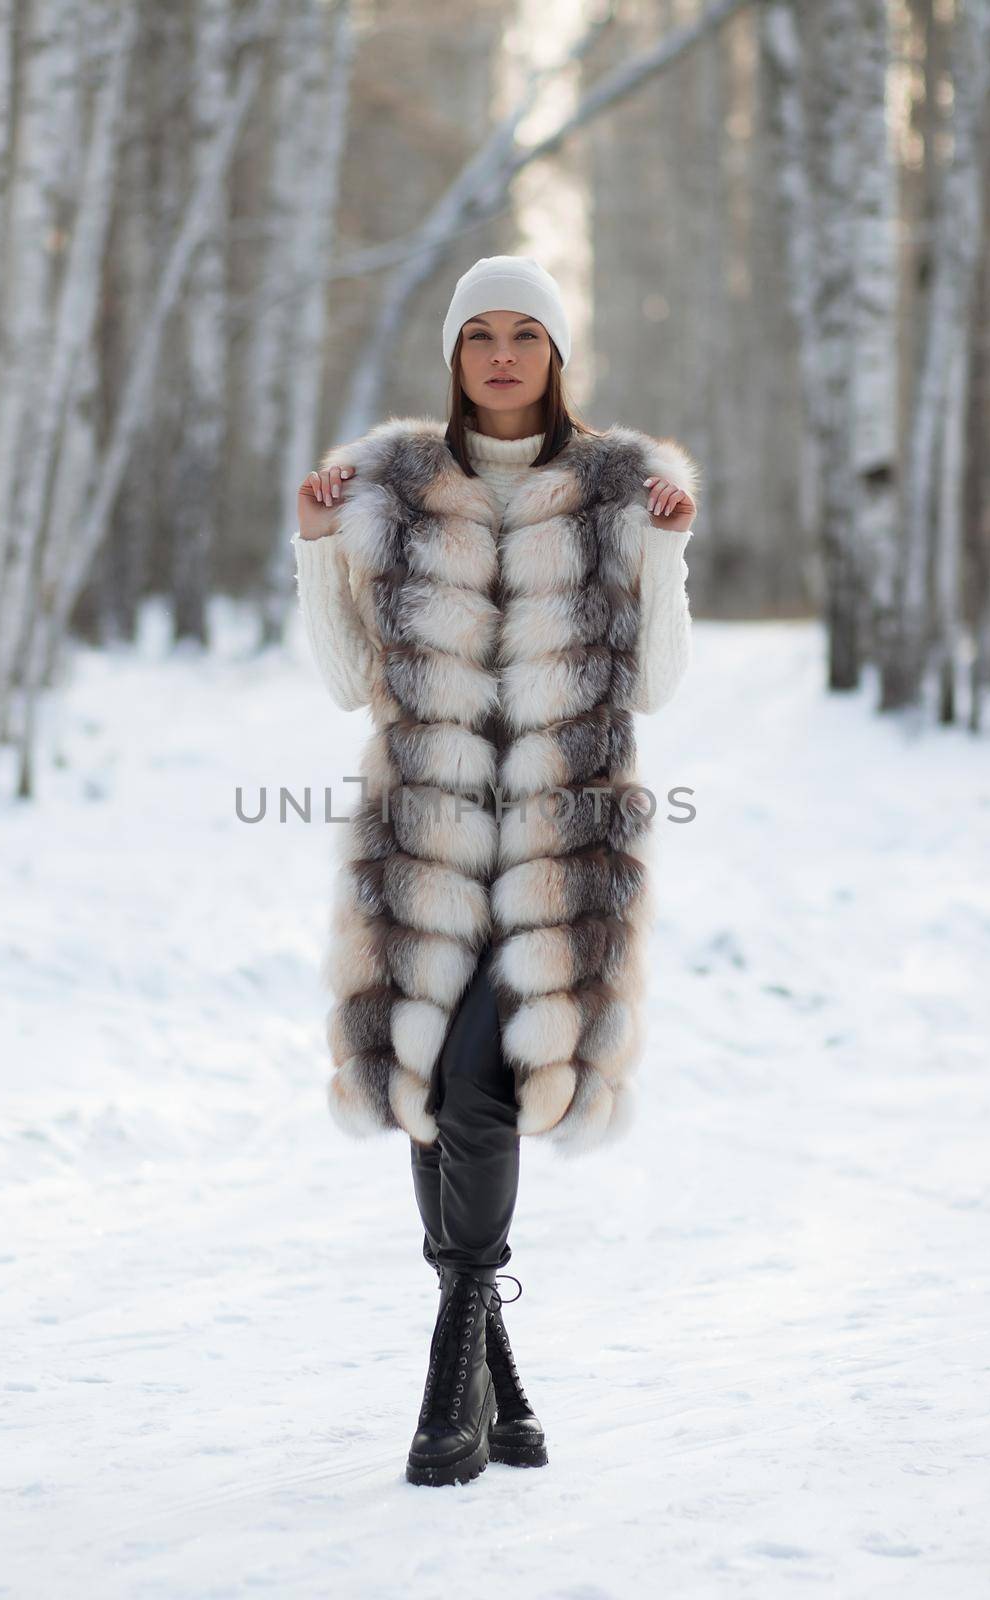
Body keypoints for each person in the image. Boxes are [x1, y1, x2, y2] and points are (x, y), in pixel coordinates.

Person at [292, 255, 699, 1487]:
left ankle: (447, 1376)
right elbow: (344, 679)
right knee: (428, 1089)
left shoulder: (620, 489)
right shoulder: (395, 487)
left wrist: (665, 557)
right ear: (455, 357)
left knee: (478, 1087)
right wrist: (318, 542)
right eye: (482, 334)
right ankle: (502, 1386)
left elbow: (658, 686)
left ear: (559, 356)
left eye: (528, 333)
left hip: (557, 857)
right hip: (418, 847)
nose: (505, 354)